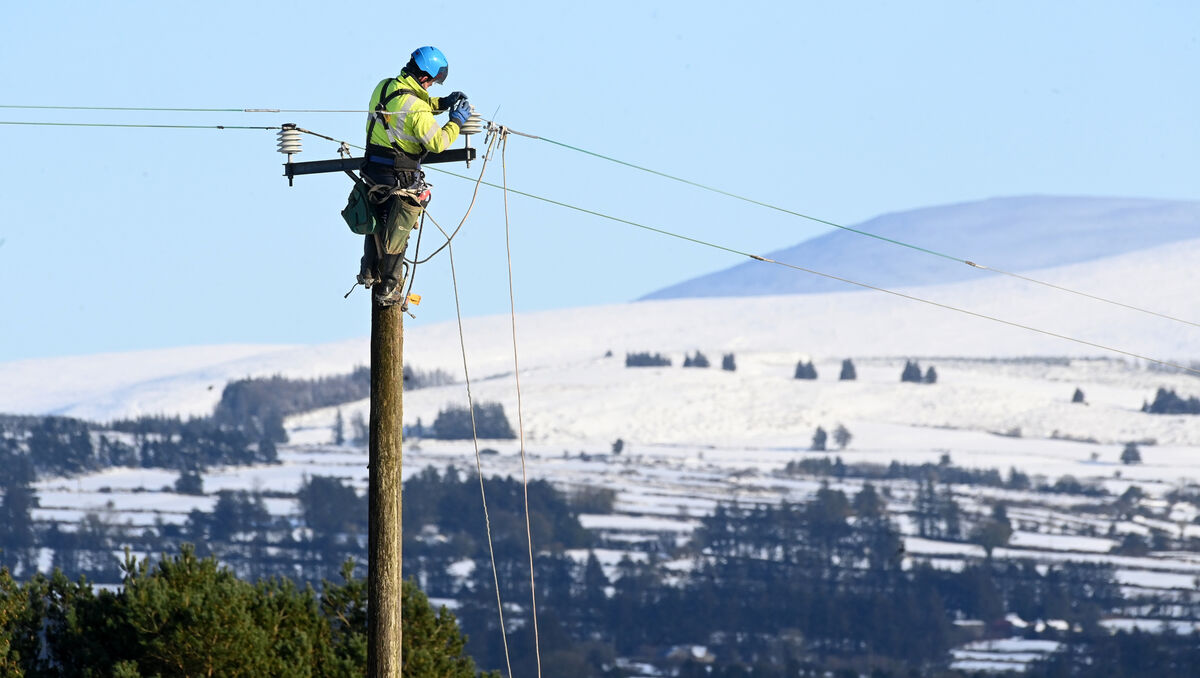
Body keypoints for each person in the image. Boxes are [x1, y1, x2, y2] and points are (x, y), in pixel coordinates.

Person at [358, 45, 471, 306]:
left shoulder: (384, 87)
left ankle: (367, 270)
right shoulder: (417, 108)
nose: (432, 87)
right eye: (432, 82)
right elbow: (438, 142)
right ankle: (388, 287)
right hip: (399, 176)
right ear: (424, 77)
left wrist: (442, 104)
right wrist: (456, 121)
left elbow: (408, 101)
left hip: (372, 171)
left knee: (376, 222)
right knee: (398, 229)